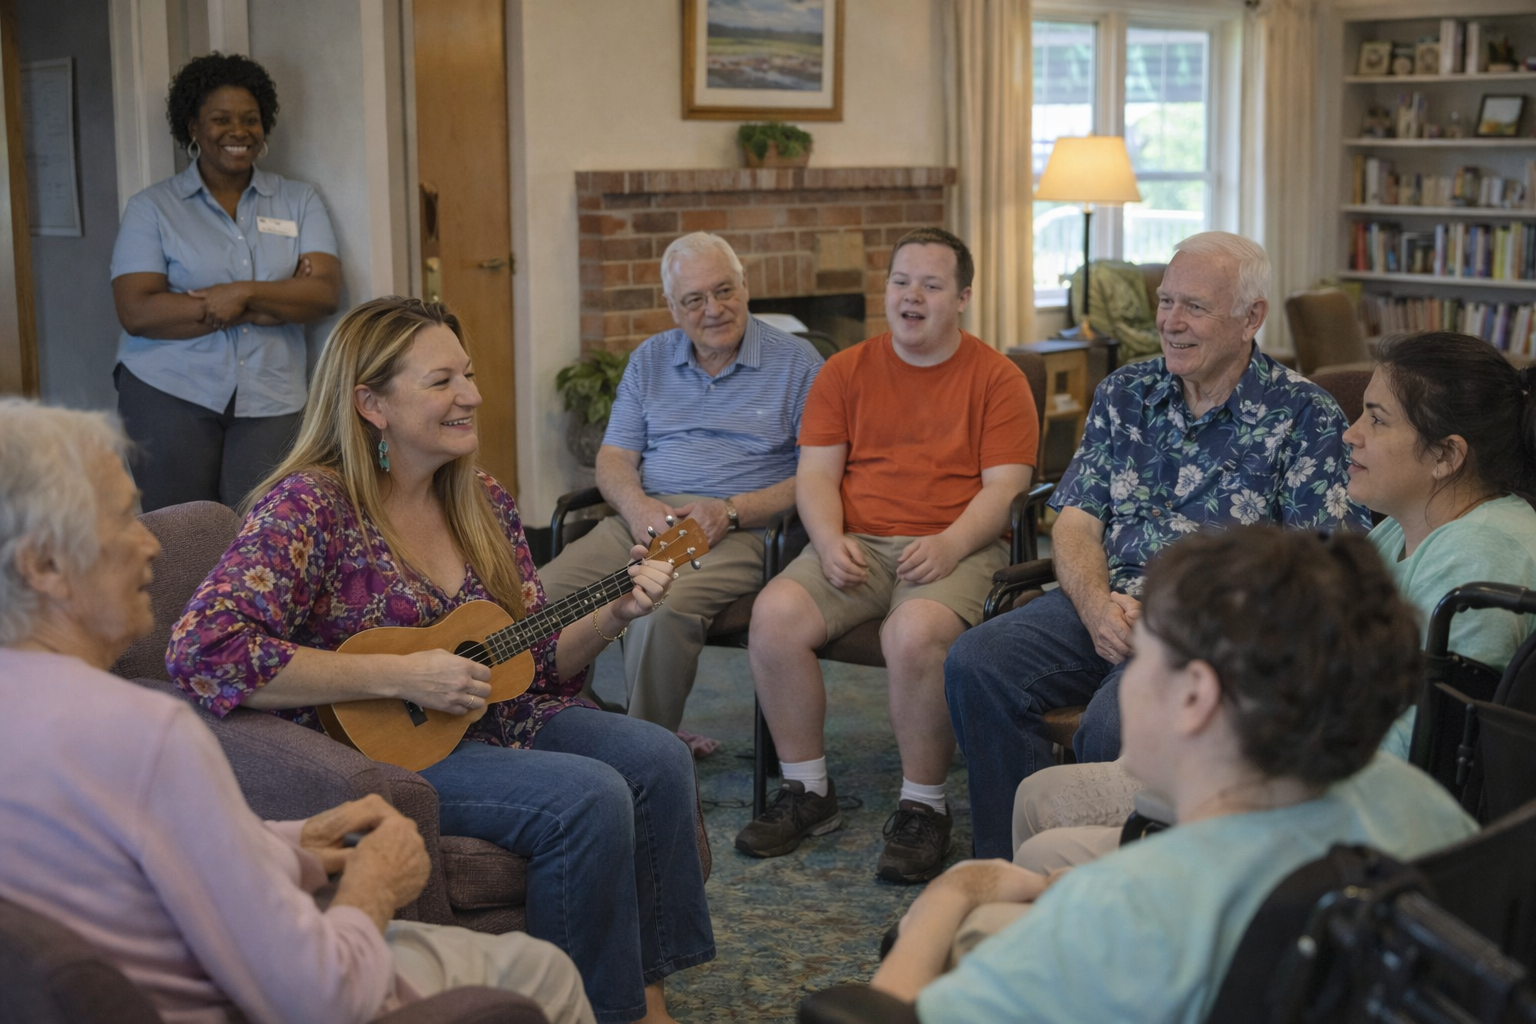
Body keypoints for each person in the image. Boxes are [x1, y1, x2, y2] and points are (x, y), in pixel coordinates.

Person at [165, 298, 712, 1024]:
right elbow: (204, 649)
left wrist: (615, 614)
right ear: (371, 404)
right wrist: (400, 673)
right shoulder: (310, 506)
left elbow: (536, 662)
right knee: (586, 796)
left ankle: (645, 1002)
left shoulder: (482, 499)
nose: (472, 396)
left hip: (496, 716)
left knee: (658, 759)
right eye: (441, 381)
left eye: (471, 375)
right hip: (379, 745)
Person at [0, 399, 593, 1024]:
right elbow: (321, 997)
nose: (150, 543)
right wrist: (376, 880)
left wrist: (293, 841)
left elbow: (157, 863)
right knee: (539, 968)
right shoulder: (149, 735)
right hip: (251, 998)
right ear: (44, 567)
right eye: (122, 517)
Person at [870, 527, 1479, 1023]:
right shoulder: (1422, 802)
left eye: (1144, 656)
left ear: (1194, 695)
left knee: (972, 926)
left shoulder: (1121, 912)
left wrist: (952, 894)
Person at [1006, 329, 1536, 873]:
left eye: (1376, 419)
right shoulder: (1401, 533)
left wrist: (1239, 769)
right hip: (1297, 766)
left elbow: (1424, 753)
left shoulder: (1482, 560)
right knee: (1038, 795)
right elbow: (1313, 652)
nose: (1350, 434)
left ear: (1447, 455)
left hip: (1332, 816)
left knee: (1046, 836)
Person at [944, 231, 1371, 860]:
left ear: (1251, 316)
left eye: (1194, 307)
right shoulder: (1126, 392)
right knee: (976, 660)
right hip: (1107, 597)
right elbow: (1075, 521)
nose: (1170, 322)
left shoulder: (1306, 417)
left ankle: (1118, 890)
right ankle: (1009, 868)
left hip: (1211, 631)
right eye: (1165, 301)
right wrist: (1096, 607)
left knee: (1117, 724)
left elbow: (1321, 574)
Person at [733, 227, 1038, 884]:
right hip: (857, 544)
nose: (912, 297)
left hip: (958, 544)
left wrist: (952, 541)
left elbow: (1006, 490)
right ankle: (807, 792)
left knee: (914, 632)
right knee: (775, 614)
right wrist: (827, 537)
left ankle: (924, 806)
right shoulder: (845, 371)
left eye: (931, 285)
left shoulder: (998, 378)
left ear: (962, 297)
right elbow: (816, 475)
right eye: (901, 282)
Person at [539, 232, 821, 751]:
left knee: (657, 607)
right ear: (672, 307)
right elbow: (614, 457)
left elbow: (819, 475)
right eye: (694, 299)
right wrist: (637, 505)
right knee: (533, 599)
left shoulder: (797, 363)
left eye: (724, 290)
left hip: (741, 530)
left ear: (746, 286)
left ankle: (645, 755)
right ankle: (586, 725)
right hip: (643, 518)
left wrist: (732, 511)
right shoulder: (650, 360)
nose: (713, 309)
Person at [111, 52, 342, 512]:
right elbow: (138, 311)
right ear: (192, 128)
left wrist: (241, 293)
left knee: (264, 528)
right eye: (220, 119)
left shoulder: (299, 200)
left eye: (250, 119)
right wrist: (276, 299)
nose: (239, 131)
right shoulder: (152, 208)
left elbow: (323, 293)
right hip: (169, 389)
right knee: (181, 532)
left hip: (273, 392)